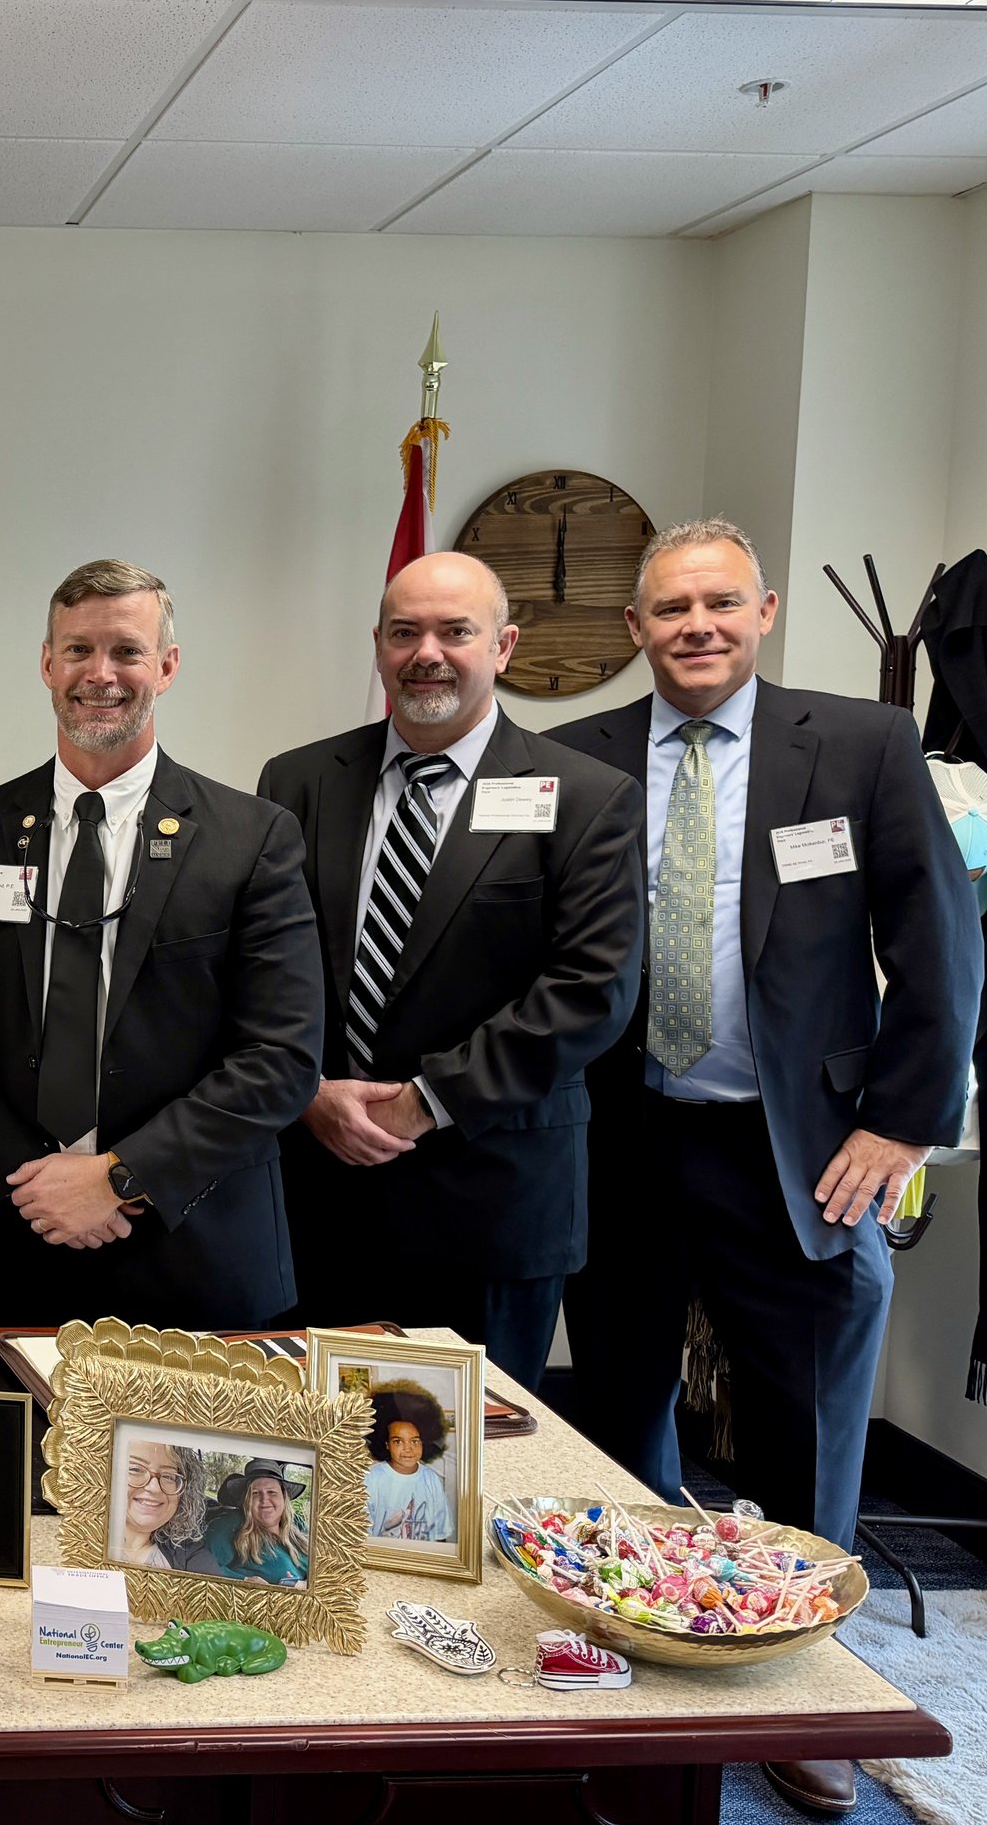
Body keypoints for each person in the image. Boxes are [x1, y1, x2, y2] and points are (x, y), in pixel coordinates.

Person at [551, 518, 981, 1823]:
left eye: (720, 602)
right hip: (622, 1140)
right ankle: (633, 1661)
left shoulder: (860, 744)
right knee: (620, 1416)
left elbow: (939, 945)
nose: (695, 624)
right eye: (670, 606)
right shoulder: (577, 758)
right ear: (636, 626)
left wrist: (901, 1125)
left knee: (804, 1427)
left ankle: (801, 1690)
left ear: (765, 609)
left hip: (797, 1146)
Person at [255, 553, 645, 1387]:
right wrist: (309, 1091)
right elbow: (264, 970)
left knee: (471, 1477)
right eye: (404, 631)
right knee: (304, 1459)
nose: (426, 651)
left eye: (454, 631)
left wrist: (424, 1103)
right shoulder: (296, 781)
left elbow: (590, 991)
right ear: (379, 645)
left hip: (493, 1200)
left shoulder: (586, 795)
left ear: (502, 646)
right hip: (316, 1191)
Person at [0, 560, 323, 1328]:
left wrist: (119, 1176)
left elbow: (282, 1058)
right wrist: (30, 1184)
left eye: (127, 651)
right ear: (46, 663)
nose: (101, 673)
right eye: (78, 650)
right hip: (10, 1246)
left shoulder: (253, 839)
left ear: (166, 667)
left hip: (192, 1253)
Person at [362, 1387, 453, 1544]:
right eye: (398, 1441)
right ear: (387, 1444)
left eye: (414, 1441)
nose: (408, 1449)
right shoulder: (370, 1479)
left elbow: (440, 1533)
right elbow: (361, 1535)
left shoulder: (431, 1479)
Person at [205, 1461, 308, 1586]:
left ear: (284, 1497)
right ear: (247, 1500)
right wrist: (245, 1581)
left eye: (271, 1492)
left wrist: (305, 1585)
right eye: (255, 1493)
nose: (264, 1499)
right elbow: (202, 1565)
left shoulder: (297, 1522)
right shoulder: (229, 1524)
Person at [113, 1438, 206, 1572]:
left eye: (169, 1476)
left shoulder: (190, 1556)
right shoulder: (79, 1540)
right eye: (135, 1469)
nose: (155, 1488)